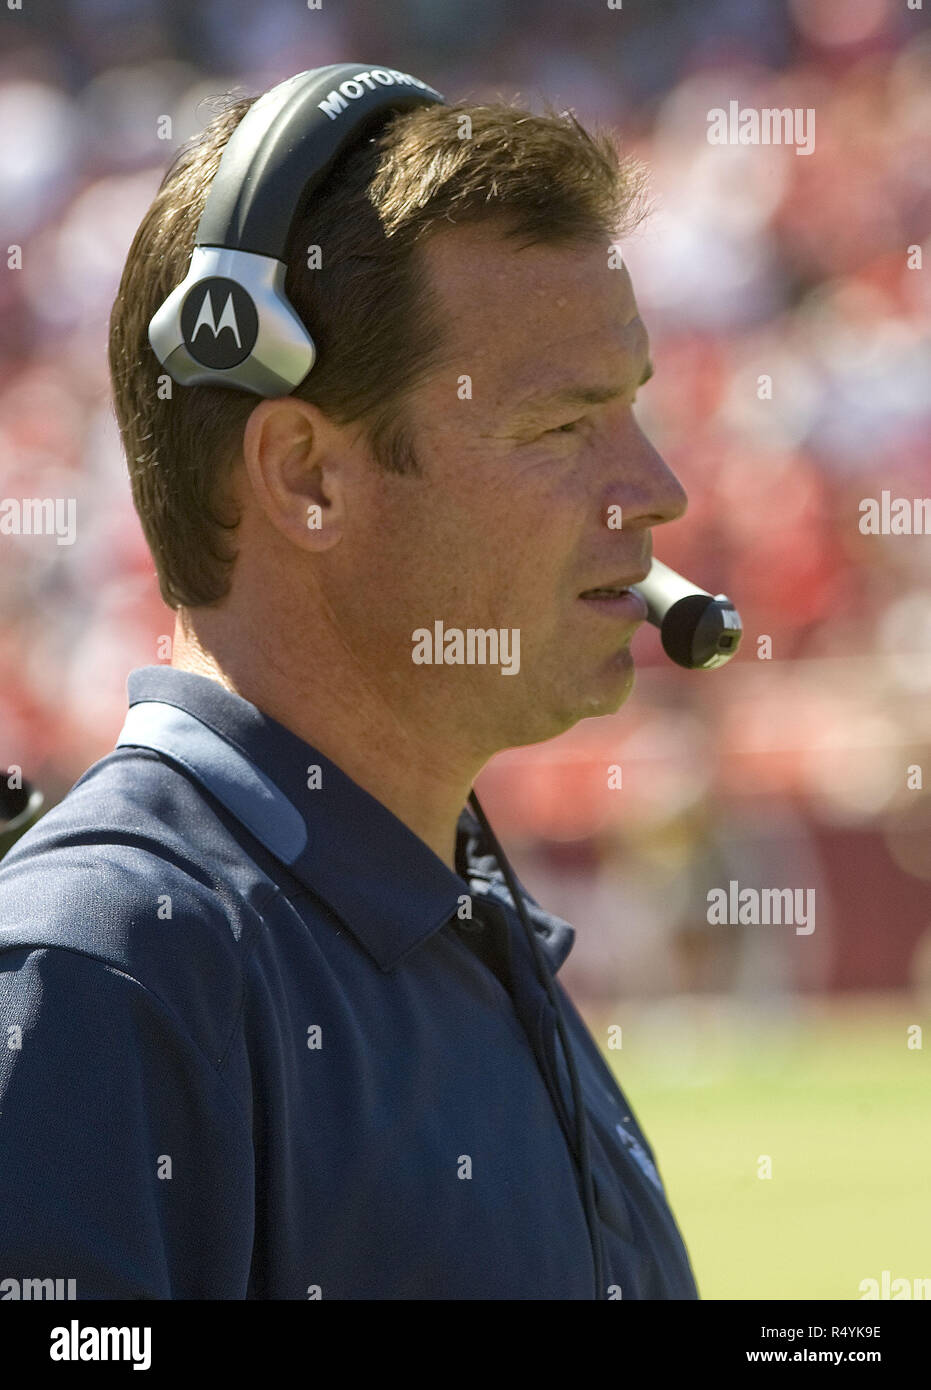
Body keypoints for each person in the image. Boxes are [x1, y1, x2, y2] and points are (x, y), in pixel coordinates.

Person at [0, 73, 697, 1299]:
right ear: (307, 476)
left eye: (629, 407)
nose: (656, 487)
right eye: (559, 427)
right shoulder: (94, 972)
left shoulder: (457, 921)